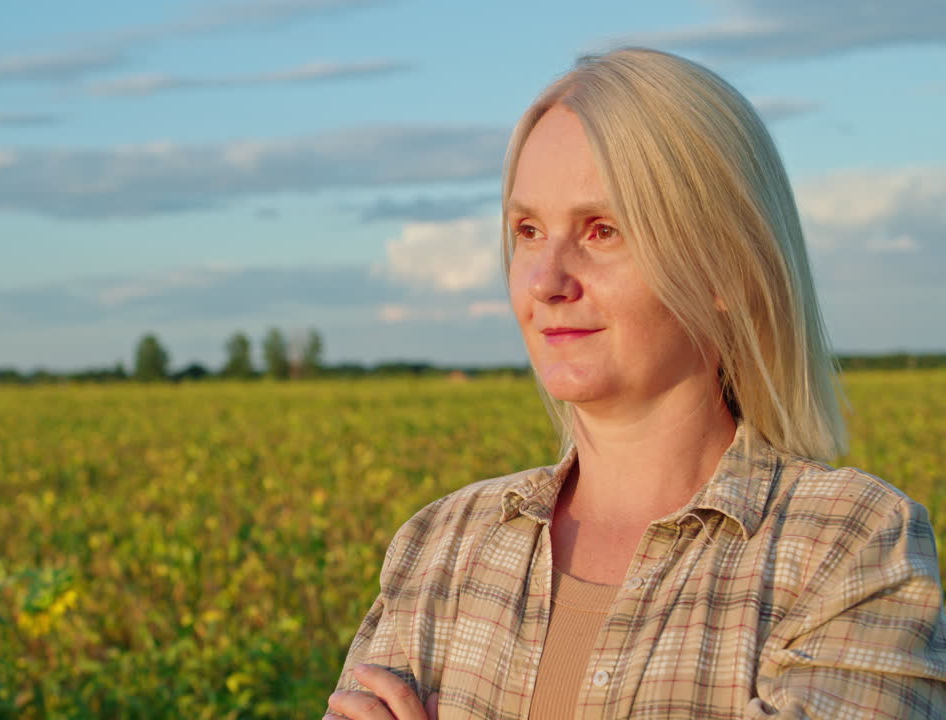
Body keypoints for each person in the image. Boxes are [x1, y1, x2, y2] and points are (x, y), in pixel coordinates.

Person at [324, 47, 946, 720]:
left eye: (603, 230)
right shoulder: (442, 544)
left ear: (727, 270)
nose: (545, 281)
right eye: (528, 231)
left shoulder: (846, 546)